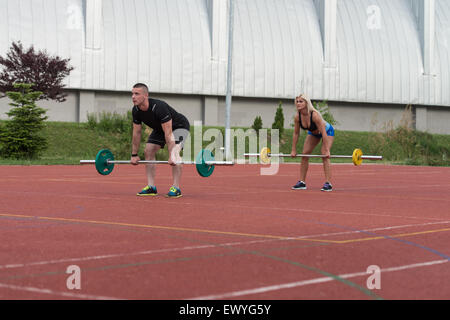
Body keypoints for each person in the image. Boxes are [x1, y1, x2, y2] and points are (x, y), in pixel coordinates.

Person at [130, 83, 190, 198]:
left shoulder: (159, 107)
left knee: (175, 153)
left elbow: (168, 133)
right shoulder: (136, 110)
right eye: (132, 94)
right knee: (148, 150)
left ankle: (176, 188)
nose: (133, 96)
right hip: (160, 128)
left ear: (145, 95)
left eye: (136, 94)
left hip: (179, 126)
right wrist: (134, 154)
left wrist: (172, 154)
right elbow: (136, 132)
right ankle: (151, 187)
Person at [291, 94, 335, 192]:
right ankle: (302, 182)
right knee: (304, 154)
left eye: (301, 101)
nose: (298, 103)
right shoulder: (297, 117)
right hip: (313, 133)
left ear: (307, 103)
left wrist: (327, 150)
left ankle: (328, 183)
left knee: (324, 155)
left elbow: (323, 132)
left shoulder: (314, 115)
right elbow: (296, 133)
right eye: (297, 101)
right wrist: (293, 149)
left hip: (327, 132)